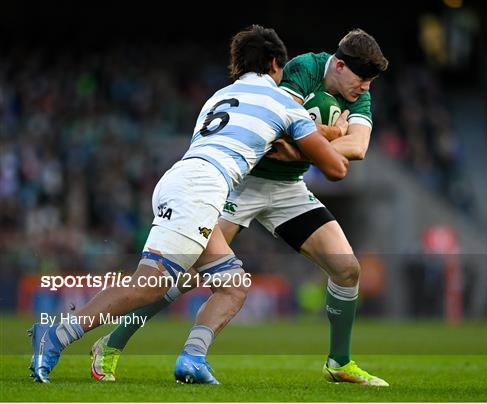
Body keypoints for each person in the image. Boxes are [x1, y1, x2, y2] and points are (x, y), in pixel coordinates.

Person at [28, 24, 349, 384]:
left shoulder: (219, 96)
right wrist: (339, 131)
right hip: (202, 188)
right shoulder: (281, 103)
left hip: (182, 179)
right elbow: (335, 167)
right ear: (275, 63)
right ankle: (57, 335)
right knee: (149, 284)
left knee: (233, 283)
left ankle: (192, 359)